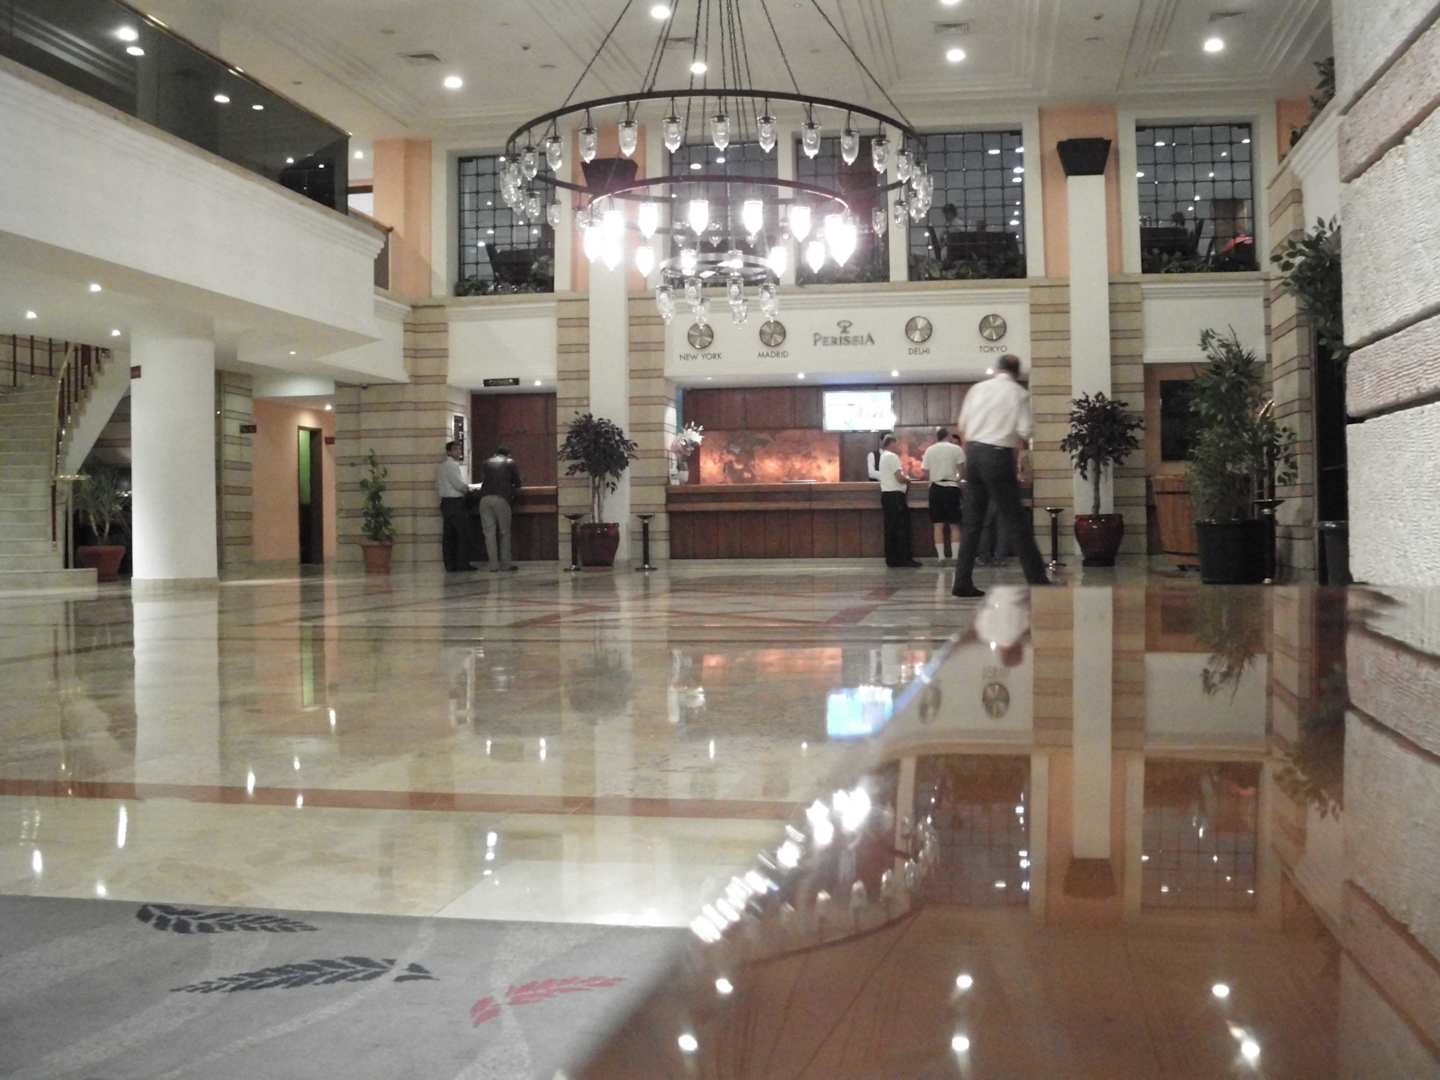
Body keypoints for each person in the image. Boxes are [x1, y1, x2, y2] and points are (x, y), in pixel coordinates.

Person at [951, 354, 1050, 598]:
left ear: (997, 369)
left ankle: (962, 582)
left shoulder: (977, 389)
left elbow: (962, 425)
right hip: (997, 456)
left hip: (973, 455)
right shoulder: (1018, 393)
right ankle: (1037, 580)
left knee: (972, 523)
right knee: (1016, 522)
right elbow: (1026, 429)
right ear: (1016, 372)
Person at [920, 427, 965, 563]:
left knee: (938, 525)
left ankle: (941, 557)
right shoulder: (956, 449)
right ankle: (955, 557)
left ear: (937, 437)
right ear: (948, 436)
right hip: (951, 488)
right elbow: (962, 471)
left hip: (935, 488)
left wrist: (934, 476)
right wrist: (956, 478)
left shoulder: (930, 450)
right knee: (954, 525)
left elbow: (925, 472)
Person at [877, 434, 922, 568]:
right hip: (896, 496)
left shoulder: (883, 456)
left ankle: (892, 559)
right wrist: (907, 479)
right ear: (891, 443)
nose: (898, 447)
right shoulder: (892, 456)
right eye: (896, 444)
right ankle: (904, 559)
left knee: (891, 529)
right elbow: (899, 477)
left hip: (887, 495)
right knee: (901, 528)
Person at [477, 445, 523, 573]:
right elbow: (517, 483)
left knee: (489, 533)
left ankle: (493, 565)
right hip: (501, 498)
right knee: (504, 533)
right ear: (508, 454)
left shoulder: (486, 462)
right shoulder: (510, 462)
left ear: (495, 453)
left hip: (484, 499)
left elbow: (483, 480)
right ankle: (506, 564)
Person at [435, 440, 478, 572]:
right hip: (455, 503)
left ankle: (450, 564)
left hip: (445, 503)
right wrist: (469, 489)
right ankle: (462, 564)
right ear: (448, 452)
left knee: (449, 536)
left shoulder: (442, 466)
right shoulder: (452, 465)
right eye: (455, 449)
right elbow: (458, 485)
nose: (458, 452)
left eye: (459, 449)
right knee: (462, 534)